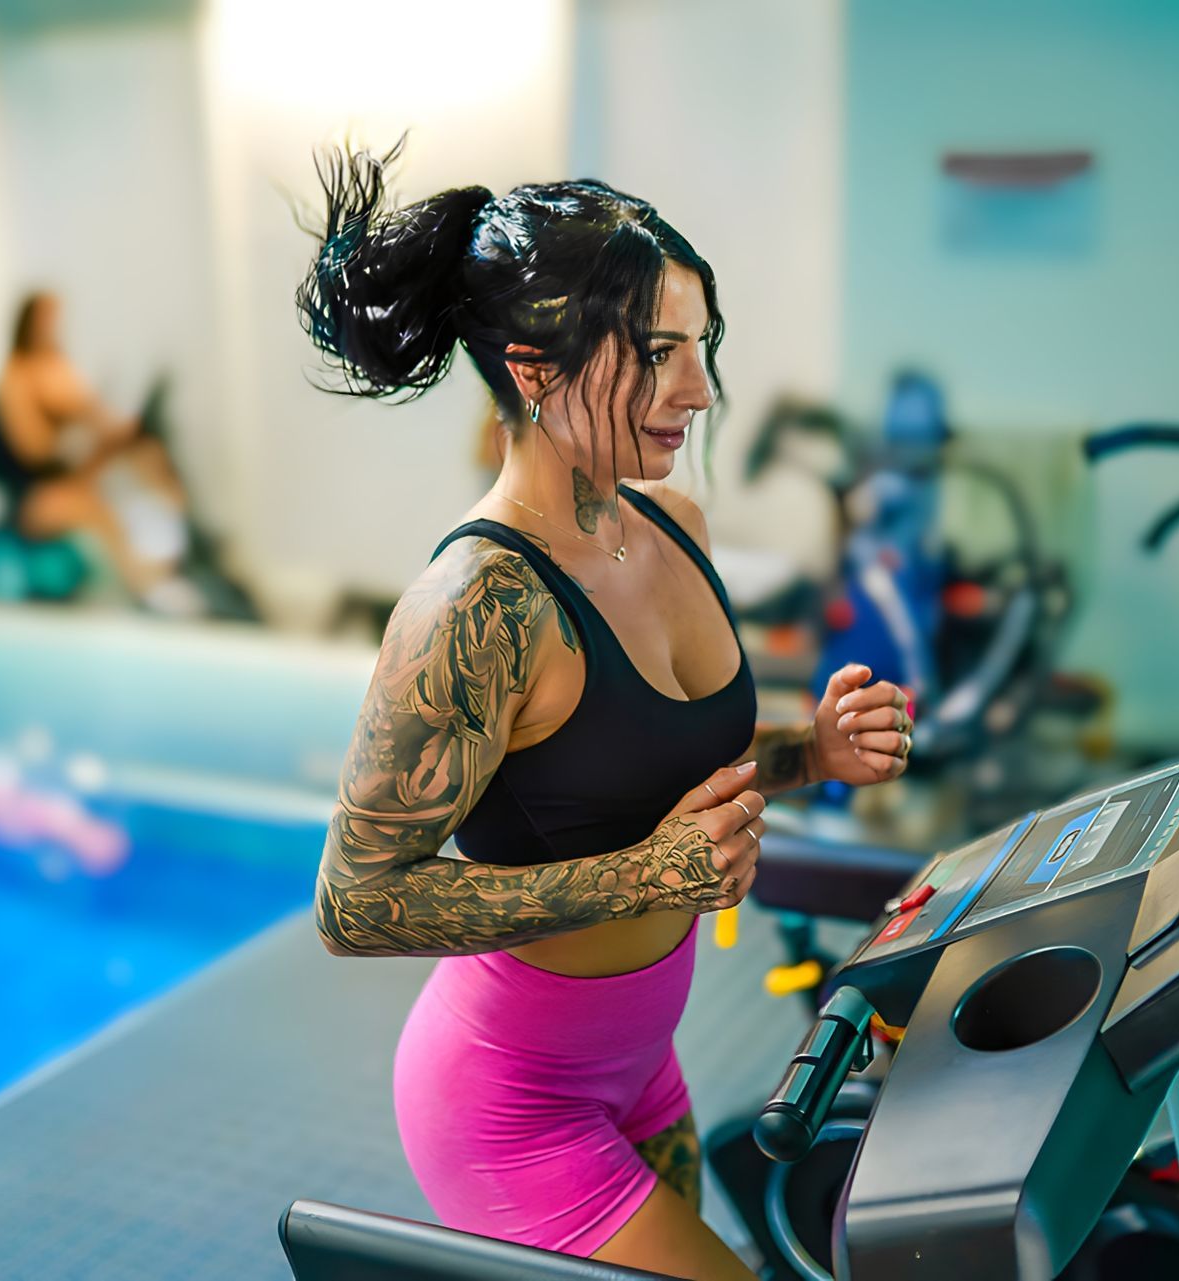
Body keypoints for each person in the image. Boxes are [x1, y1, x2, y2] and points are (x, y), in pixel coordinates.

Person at [299, 142, 913, 1281]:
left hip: (640, 1059)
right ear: (535, 372)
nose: (702, 390)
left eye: (702, 348)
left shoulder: (670, 518)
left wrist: (808, 753)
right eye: (659, 354)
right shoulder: (478, 604)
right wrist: (649, 879)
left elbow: (640, 774)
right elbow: (355, 902)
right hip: (511, 1098)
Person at [0, 291, 202, 615]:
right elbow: (35, 452)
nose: (53, 327)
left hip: (72, 471)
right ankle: (146, 586)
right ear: (29, 321)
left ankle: (181, 553)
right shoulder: (15, 377)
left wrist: (111, 430)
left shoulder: (55, 365)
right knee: (101, 513)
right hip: (37, 493)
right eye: (47, 319)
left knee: (147, 455)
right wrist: (74, 433)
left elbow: (93, 413)